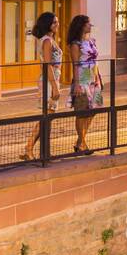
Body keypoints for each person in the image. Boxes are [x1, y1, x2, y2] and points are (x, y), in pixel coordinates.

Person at [22, 11, 61, 162]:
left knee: (48, 116)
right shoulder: (47, 41)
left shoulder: (49, 40)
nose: (57, 24)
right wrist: (55, 86)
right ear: (48, 25)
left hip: (52, 79)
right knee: (47, 116)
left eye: (57, 22)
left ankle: (32, 149)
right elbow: (48, 65)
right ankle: (31, 149)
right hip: (49, 81)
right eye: (54, 22)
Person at [67, 14, 104, 156]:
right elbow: (75, 64)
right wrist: (76, 83)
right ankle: (82, 143)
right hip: (82, 77)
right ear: (82, 25)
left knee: (94, 109)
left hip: (94, 78)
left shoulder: (91, 41)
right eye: (88, 23)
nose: (90, 26)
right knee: (82, 111)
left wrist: (98, 78)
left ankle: (80, 141)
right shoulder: (75, 44)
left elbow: (95, 60)